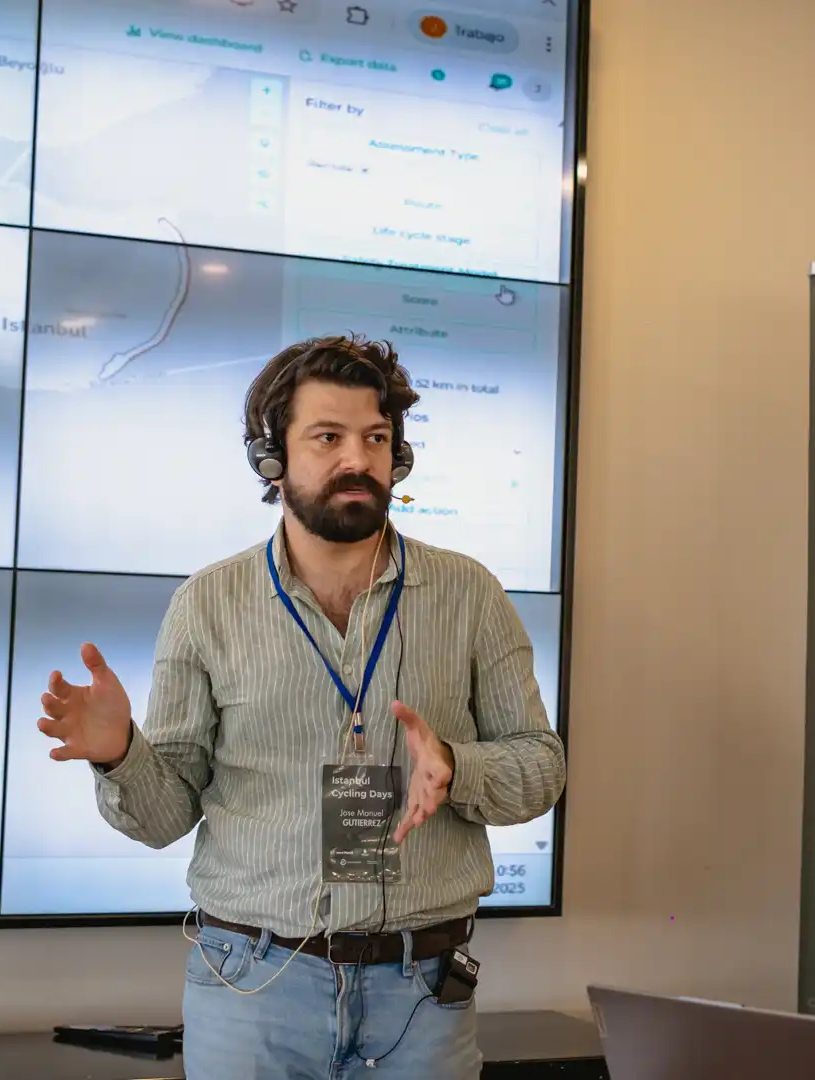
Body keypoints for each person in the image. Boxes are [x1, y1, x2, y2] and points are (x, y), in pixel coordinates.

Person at [35, 335, 567, 1079]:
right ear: (271, 458)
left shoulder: (469, 594)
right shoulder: (208, 604)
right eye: (328, 437)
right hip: (252, 986)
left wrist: (456, 765)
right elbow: (163, 818)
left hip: (421, 992)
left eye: (375, 438)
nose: (359, 458)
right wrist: (121, 752)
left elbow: (541, 767)